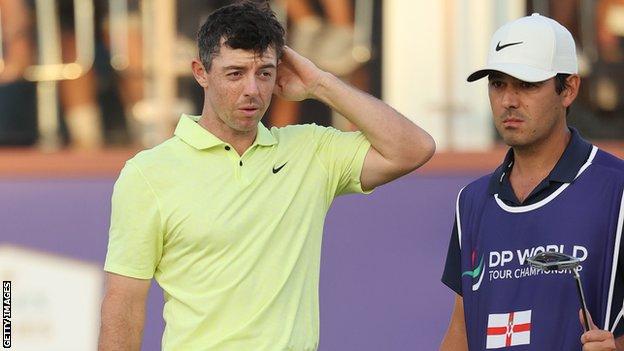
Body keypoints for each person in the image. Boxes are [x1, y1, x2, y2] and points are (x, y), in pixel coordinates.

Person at [98, 2, 435, 350]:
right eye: (235, 73)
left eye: (264, 72)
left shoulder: (311, 149)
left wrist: (321, 83)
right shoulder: (148, 173)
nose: (252, 90)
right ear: (201, 72)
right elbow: (124, 304)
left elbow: (413, 149)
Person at [439, 14, 624, 350]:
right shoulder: (472, 200)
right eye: (498, 83)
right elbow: (461, 332)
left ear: (568, 89)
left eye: (526, 84)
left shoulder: (617, 188)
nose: (508, 100)